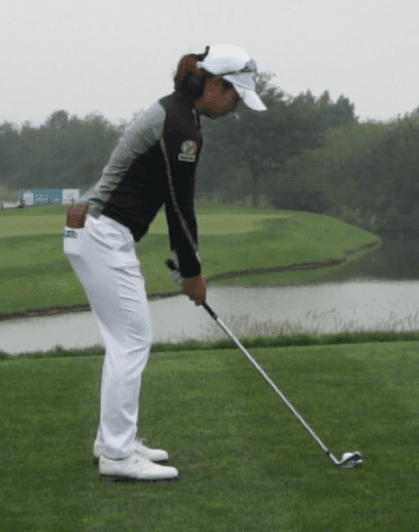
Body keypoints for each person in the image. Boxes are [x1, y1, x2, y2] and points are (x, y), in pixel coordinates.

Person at [63, 44, 267, 482]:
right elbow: (180, 207)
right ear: (216, 85)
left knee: (126, 340)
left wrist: (186, 265)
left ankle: (112, 441)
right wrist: (192, 274)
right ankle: (117, 455)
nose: (235, 108)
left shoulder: (178, 113)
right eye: (235, 96)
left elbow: (173, 203)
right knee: (133, 340)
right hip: (103, 235)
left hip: (99, 233)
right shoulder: (181, 127)